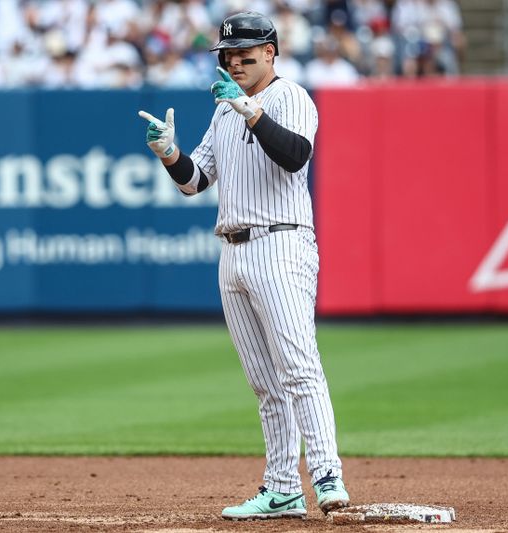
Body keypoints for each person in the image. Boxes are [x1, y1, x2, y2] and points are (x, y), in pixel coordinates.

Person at [137, 11, 350, 521]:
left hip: (281, 244)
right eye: (229, 54)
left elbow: (296, 155)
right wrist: (169, 154)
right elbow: (196, 181)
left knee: (299, 368)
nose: (234, 60)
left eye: (245, 52)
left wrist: (250, 110)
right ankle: (282, 489)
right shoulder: (224, 111)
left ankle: (327, 477)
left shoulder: (290, 96)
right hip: (232, 251)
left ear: (270, 52)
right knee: (265, 382)